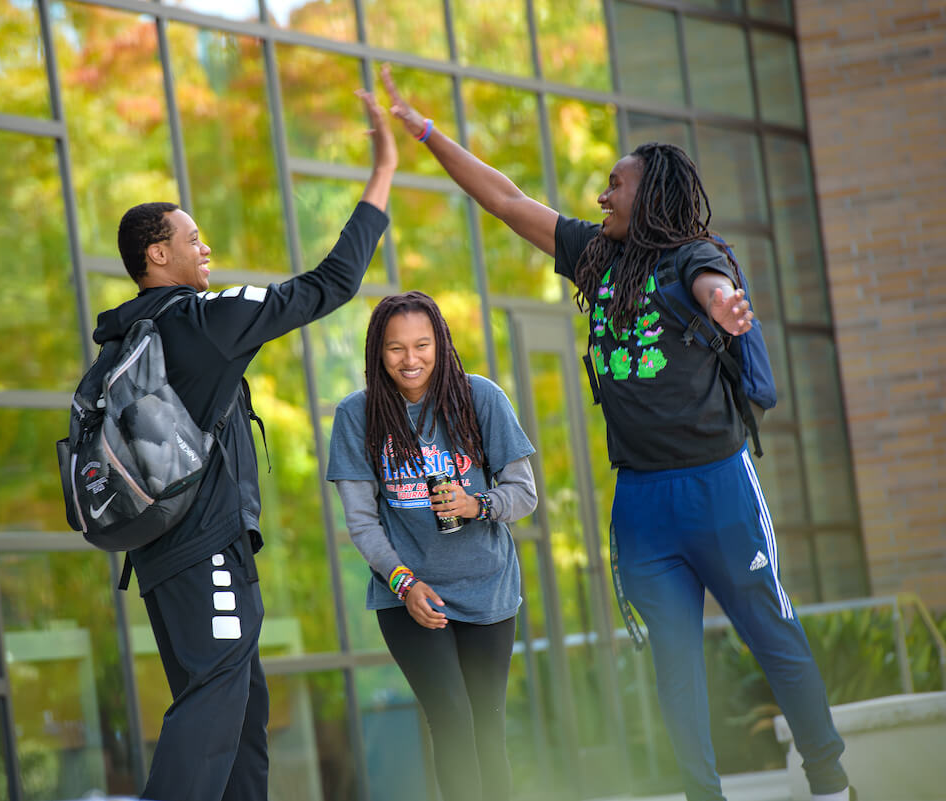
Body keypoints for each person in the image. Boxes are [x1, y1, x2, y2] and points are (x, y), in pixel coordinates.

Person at [376, 66, 855, 801]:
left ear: (652, 194)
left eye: (615, 184)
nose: (602, 194)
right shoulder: (594, 259)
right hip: (641, 502)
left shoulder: (695, 255)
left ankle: (829, 781)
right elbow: (505, 199)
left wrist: (726, 302)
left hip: (719, 487)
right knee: (672, 666)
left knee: (771, 631)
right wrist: (429, 134)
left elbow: (712, 285)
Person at [97, 90, 395, 801]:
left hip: (164, 558)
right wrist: (382, 172)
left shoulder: (125, 338)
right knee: (211, 708)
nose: (207, 249)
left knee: (239, 715)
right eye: (192, 239)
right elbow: (332, 284)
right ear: (156, 252)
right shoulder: (200, 319)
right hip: (203, 552)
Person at [326, 290, 538, 801]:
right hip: (410, 594)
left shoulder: (480, 398)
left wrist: (477, 505)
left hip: (487, 588)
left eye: (422, 345)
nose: (411, 359)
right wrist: (404, 583)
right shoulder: (357, 416)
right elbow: (362, 521)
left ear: (440, 344)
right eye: (396, 348)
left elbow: (524, 493)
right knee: (451, 720)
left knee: (487, 730)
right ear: (378, 351)